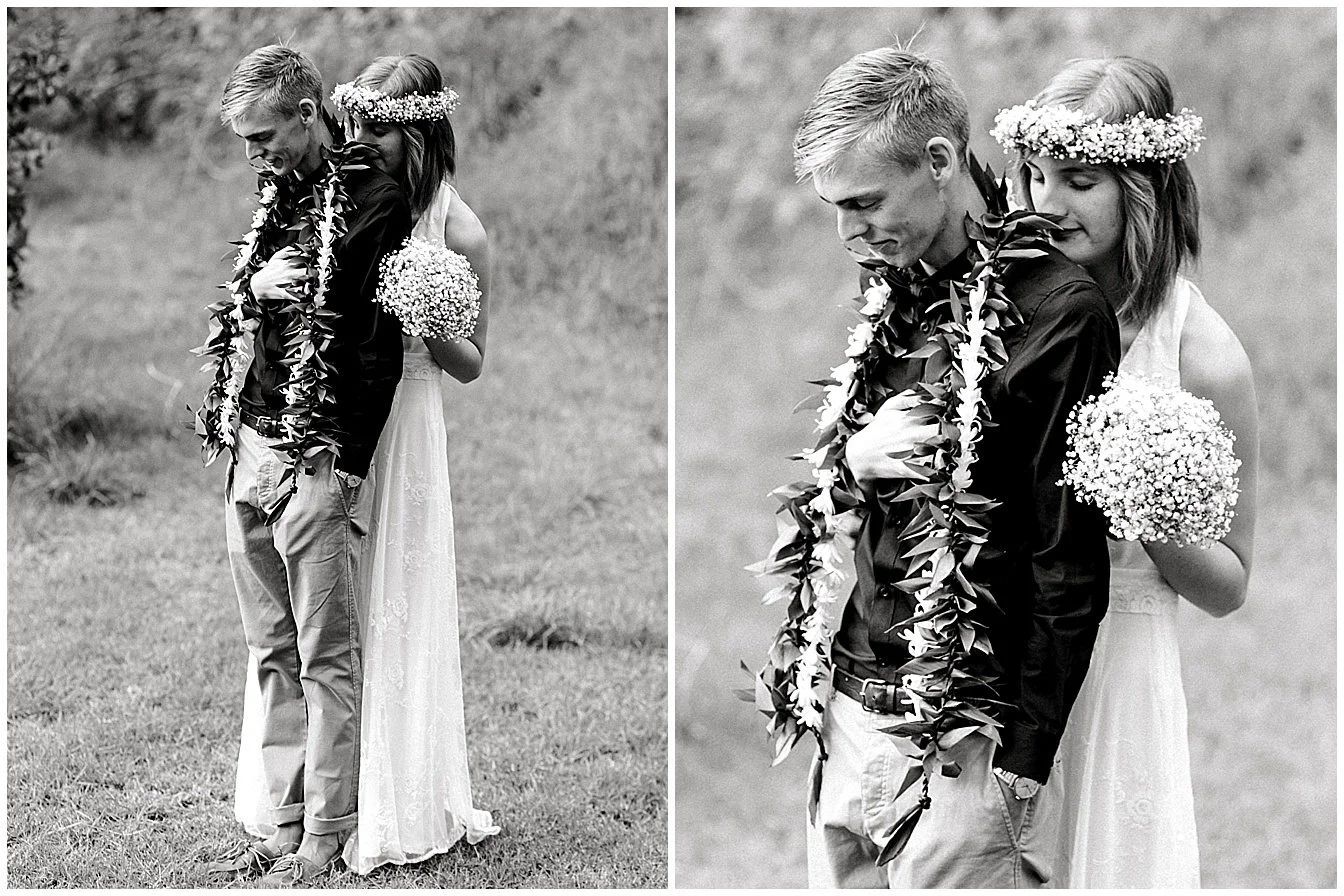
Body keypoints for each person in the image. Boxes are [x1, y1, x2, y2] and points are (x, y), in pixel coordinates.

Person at [791, 46, 1120, 888]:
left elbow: (1066, 559)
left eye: (863, 203)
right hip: (851, 712)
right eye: (834, 208)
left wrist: (1020, 769)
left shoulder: (1060, 315)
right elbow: (840, 498)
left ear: (940, 162)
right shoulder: (893, 281)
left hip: (967, 747)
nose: (847, 232)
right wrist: (855, 460)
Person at [233, 53, 498, 877]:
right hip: (319, 423)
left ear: (423, 133)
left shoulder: (460, 231)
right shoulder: (331, 199)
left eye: (384, 129)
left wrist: (421, 318)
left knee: (381, 613)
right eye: (361, 125)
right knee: (309, 625)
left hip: (404, 421)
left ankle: (388, 800)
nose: (368, 142)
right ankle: (301, 800)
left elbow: (474, 361)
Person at [996, 55, 1259, 887]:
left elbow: (1230, 583)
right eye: (1036, 175)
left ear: (1142, 188)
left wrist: (1143, 503)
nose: (1048, 203)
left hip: (1118, 681)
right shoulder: (1008, 306)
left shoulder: (1202, 351)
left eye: (1080, 179)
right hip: (1003, 659)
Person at [203, 45, 411, 886]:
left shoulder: (374, 199)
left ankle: (328, 831)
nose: (257, 156)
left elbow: (371, 346)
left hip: (318, 453)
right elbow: (251, 301)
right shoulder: (276, 192)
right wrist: (257, 290)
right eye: (245, 145)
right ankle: (282, 819)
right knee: (270, 648)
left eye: (265, 137)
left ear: (307, 109)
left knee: (326, 655)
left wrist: (345, 467)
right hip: (250, 440)